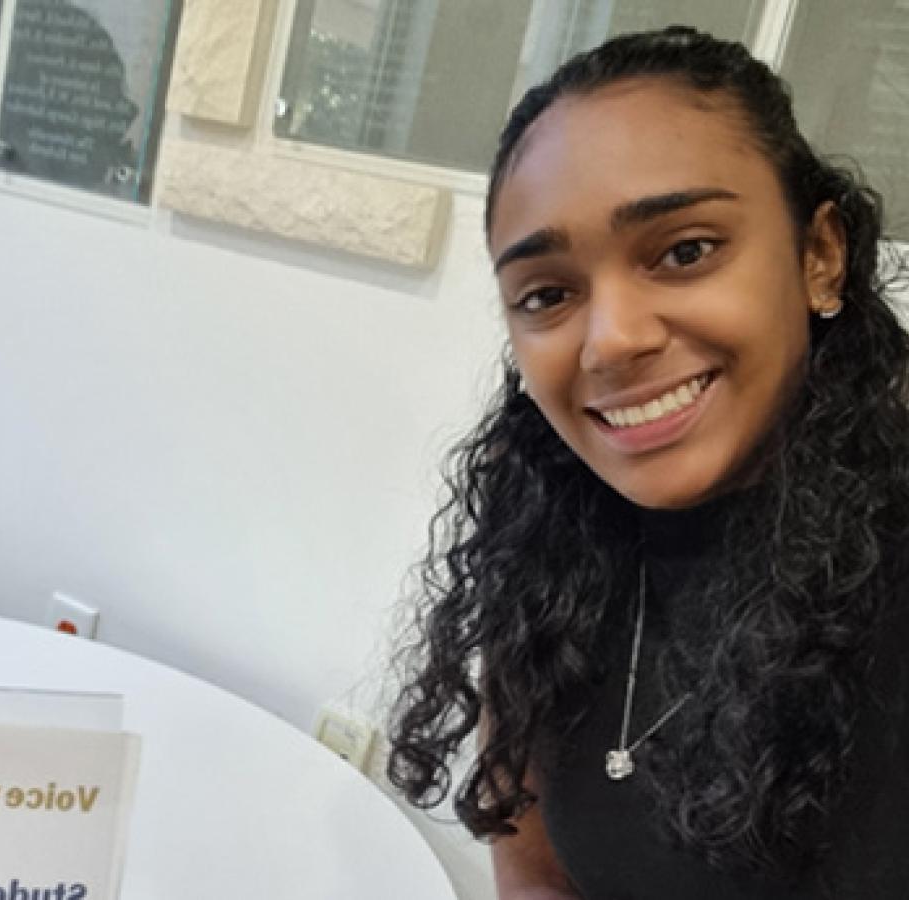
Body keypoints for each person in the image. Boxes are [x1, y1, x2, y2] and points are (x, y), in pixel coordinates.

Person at [386, 25, 909, 900]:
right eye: (548, 294)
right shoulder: (549, 552)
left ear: (820, 256)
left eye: (685, 251)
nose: (613, 340)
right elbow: (538, 876)